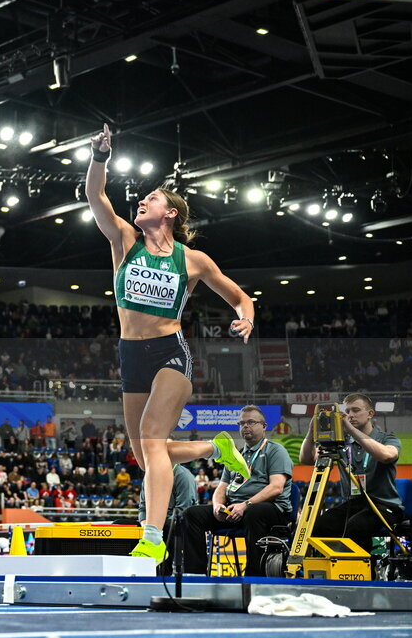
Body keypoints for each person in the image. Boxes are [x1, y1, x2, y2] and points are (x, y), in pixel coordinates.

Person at [85, 123, 253, 563]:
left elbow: (239, 297)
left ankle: (153, 535)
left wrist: (245, 318)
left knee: (152, 438)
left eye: (152, 199)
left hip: (169, 353)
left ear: (171, 214)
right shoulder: (125, 240)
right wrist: (99, 156)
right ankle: (215, 449)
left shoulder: (191, 260)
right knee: (145, 457)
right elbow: (95, 196)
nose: (141, 201)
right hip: (130, 354)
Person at [181, 406, 293, 576]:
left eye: (250, 422)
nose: (245, 426)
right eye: (241, 423)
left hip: (269, 510)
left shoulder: (275, 451)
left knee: (254, 512)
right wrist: (217, 506)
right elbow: (222, 487)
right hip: (235, 510)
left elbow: (276, 487)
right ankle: (195, 574)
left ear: (264, 426)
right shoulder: (236, 455)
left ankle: (254, 576)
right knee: (191, 514)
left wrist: (246, 505)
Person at [299, 393, 403, 554]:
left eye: (356, 410)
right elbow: (306, 459)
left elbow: (386, 455)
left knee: (357, 525)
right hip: (354, 504)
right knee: (319, 525)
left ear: (370, 414)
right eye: (347, 411)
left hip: (384, 506)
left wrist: (349, 428)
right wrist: (311, 431)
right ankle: (334, 570)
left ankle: (364, 575)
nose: (351, 415)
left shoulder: (387, 439)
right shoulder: (342, 442)